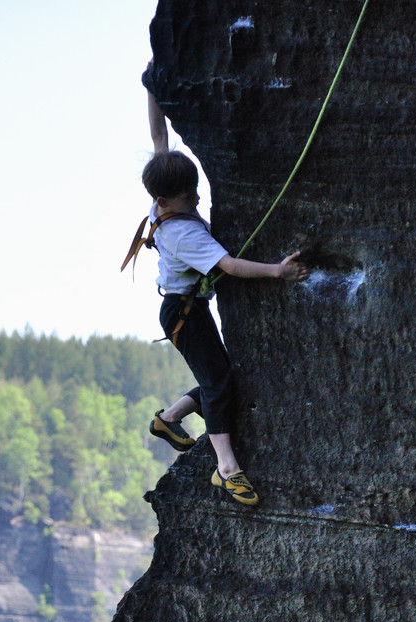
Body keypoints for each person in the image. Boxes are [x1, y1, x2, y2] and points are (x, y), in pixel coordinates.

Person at [139, 86, 311, 507]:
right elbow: (231, 266)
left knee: (221, 379)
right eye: (189, 197)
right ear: (164, 201)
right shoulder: (183, 233)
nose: (197, 199)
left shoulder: (164, 202)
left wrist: (154, 88)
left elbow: (159, 141)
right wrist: (279, 271)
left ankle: (170, 418)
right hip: (185, 314)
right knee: (218, 383)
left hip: (183, 309)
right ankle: (228, 468)